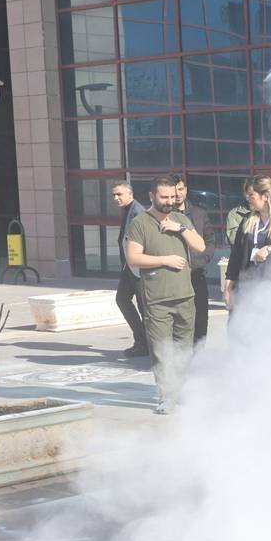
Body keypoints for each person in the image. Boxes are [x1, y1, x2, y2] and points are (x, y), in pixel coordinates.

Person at [124, 176, 207, 414]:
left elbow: (200, 246)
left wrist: (179, 229)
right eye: (164, 197)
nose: (170, 201)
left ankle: (181, 392)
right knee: (162, 350)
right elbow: (133, 258)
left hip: (185, 296)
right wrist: (164, 260)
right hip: (157, 299)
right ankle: (166, 396)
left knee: (183, 348)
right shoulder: (140, 223)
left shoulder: (180, 218)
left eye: (173, 196)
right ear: (152, 196)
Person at [224, 175, 271, 310]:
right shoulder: (248, 220)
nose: (248, 199)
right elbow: (236, 255)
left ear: (265, 196)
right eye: (247, 195)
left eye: (251, 195)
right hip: (248, 287)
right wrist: (228, 286)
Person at [172, 174, 212, 345]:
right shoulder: (166, 216)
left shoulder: (199, 214)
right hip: (174, 275)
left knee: (200, 316)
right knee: (178, 317)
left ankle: (198, 354)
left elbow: (210, 241)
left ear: (186, 190)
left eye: (181, 189)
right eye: (174, 191)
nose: (178, 194)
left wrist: (203, 260)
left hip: (197, 273)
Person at [112, 181, 148, 357]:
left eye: (119, 194)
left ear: (130, 194)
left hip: (139, 269)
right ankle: (142, 339)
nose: (116, 198)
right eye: (114, 195)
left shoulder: (138, 212)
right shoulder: (128, 210)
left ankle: (146, 343)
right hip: (129, 268)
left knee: (144, 308)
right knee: (122, 299)